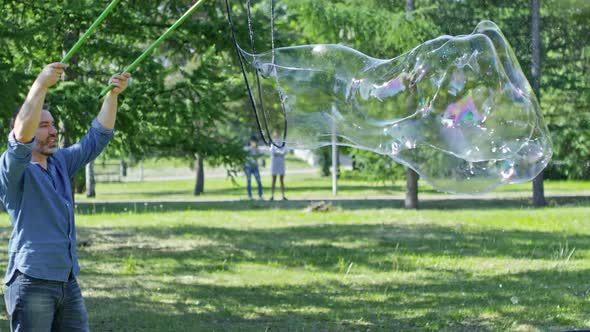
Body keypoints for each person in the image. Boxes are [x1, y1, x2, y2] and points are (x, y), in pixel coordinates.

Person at [1, 62, 130, 331]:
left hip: (67, 281)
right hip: (31, 281)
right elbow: (20, 138)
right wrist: (40, 86)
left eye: (52, 125)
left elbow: (96, 138)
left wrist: (112, 95)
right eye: (43, 125)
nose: (53, 132)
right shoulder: (14, 170)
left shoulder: (60, 162)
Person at [269, 130, 287, 201]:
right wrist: (280, 153)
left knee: (281, 180)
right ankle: (272, 195)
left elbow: (285, 151)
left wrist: (280, 153)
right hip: (275, 162)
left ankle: (283, 195)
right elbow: (273, 152)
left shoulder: (283, 143)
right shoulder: (272, 144)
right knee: (274, 179)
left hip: (281, 162)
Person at [244, 135, 263, 200]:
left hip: (255, 167)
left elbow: (259, 157)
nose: (254, 143)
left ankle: (260, 196)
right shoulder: (247, 148)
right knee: (248, 181)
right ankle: (249, 196)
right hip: (248, 167)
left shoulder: (257, 149)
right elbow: (245, 155)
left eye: (255, 142)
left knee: (259, 181)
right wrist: (251, 148)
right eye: (253, 141)